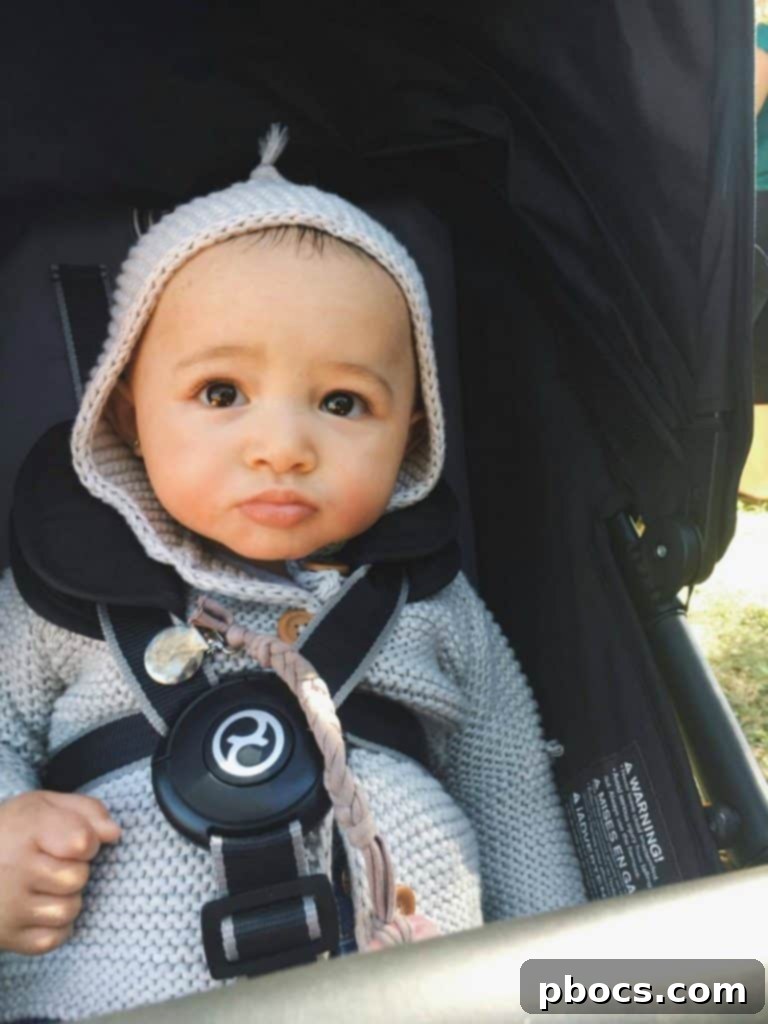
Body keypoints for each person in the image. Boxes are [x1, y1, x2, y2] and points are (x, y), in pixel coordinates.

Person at [0, 127, 585, 1022]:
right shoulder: (62, 593)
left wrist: (565, 975)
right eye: (221, 394)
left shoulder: (430, 604)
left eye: (343, 403)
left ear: (414, 432)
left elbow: (512, 804)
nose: (283, 449)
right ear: (126, 408)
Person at [740, 19, 768, 502]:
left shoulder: (762, 38)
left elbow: (745, 102)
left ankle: (753, 481)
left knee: (748, 344)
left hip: (757, 200)